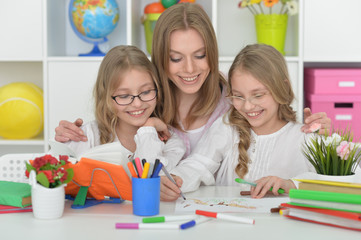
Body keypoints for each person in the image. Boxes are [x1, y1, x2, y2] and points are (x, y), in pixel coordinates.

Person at [53, 3, 330, 200]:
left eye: (199, 55)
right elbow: (111, 119)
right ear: (161, 58)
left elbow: (274, 107)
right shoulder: (146, 98)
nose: (189, 69)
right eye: (176, 58)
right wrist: (74, 135)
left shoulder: (232, 100)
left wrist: (323, 134)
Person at [166, 44, 318, 200]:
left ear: (283, 87)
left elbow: (331, 183)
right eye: (238, 96)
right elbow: (198, 164)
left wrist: (290, 184)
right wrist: (175, 179)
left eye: (258, 95)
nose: (247, 106)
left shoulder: (304, 137)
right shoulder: (227, 127)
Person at [61, 45, 185, 170]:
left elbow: (148, 176)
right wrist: (60, 143)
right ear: (106, 97)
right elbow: (51, 172)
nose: (137, 104)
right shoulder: (89, 136)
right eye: (124, 95)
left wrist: (148, 128)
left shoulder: (171, 142)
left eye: (146, 92)